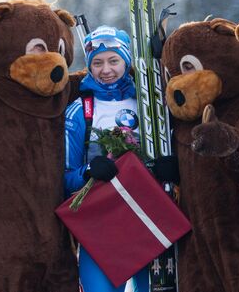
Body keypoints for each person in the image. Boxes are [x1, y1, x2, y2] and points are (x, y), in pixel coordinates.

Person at [63, 25, 149, 292]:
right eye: (97, 63)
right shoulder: (80, 111)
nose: (106, 69)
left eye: (114, 60)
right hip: (101, 226)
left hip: (147, 218)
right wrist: (89, 171)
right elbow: (66, 178)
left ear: (126, 60)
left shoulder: (146, 103)